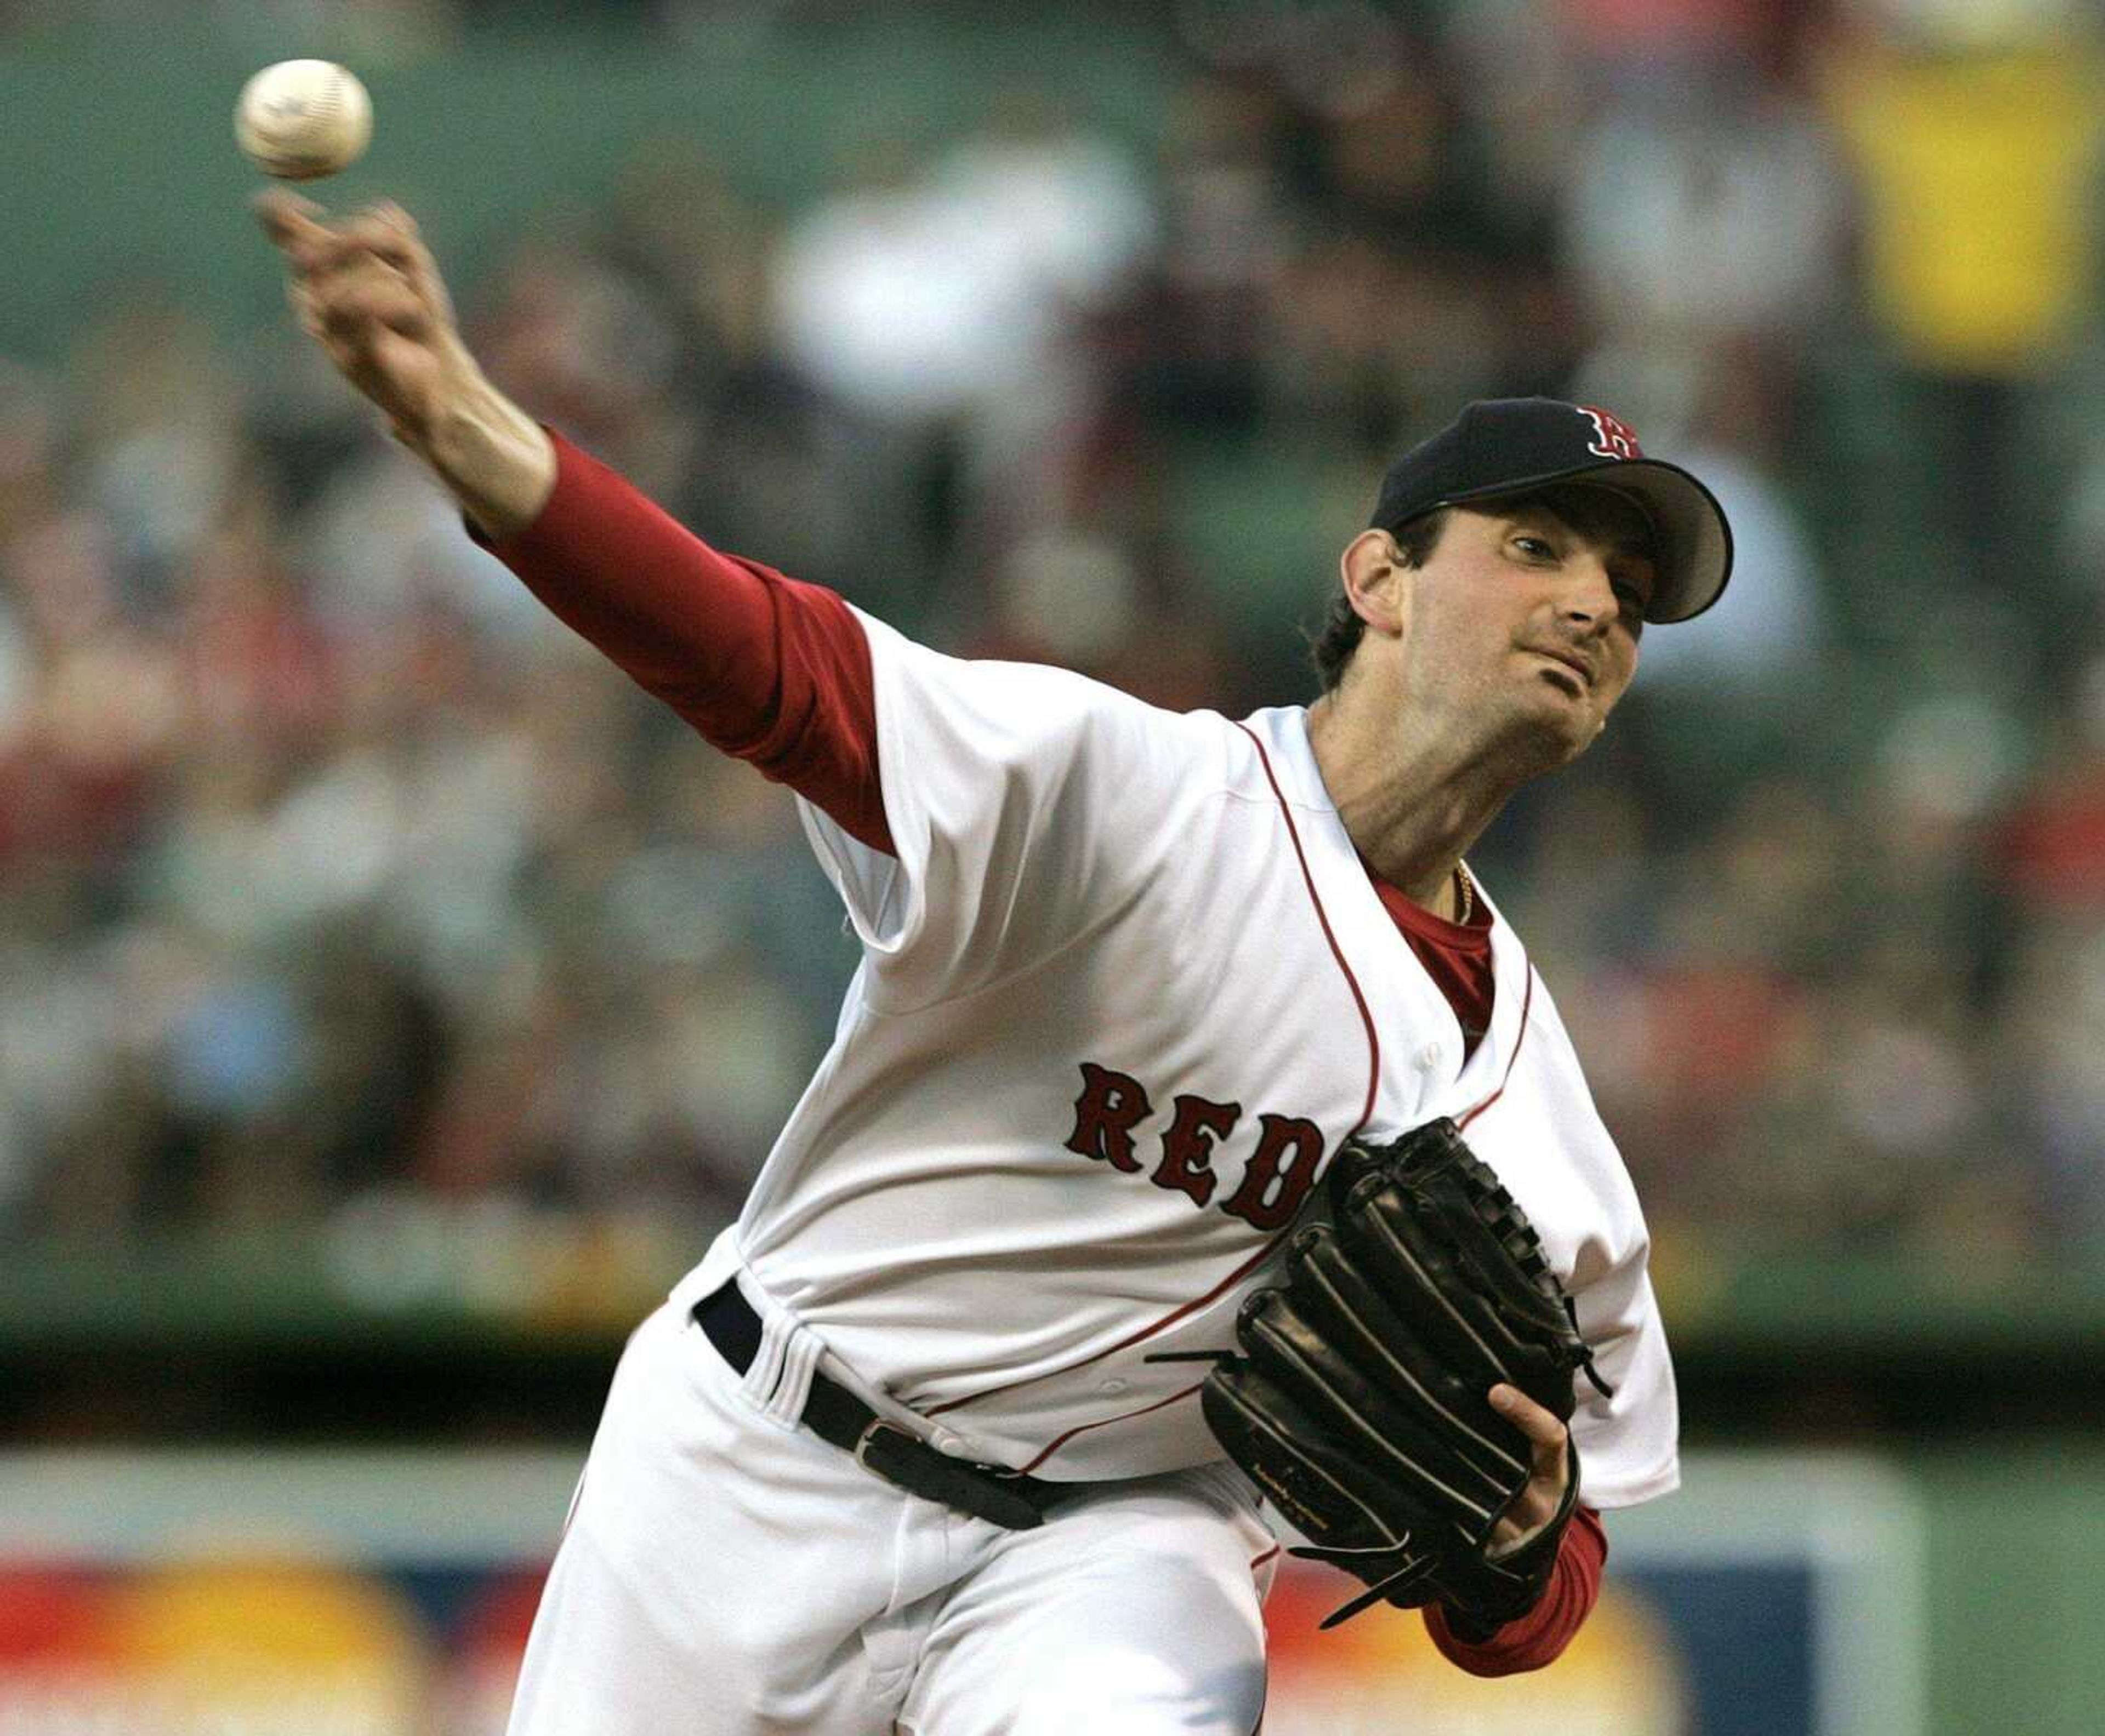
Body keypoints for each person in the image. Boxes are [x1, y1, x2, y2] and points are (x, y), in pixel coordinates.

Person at [257, 191, 1730, 1735]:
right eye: (1540, 546)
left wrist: (1508, 1563)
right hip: (761, 1455)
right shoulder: (1129, 797)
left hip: (1116, 1549)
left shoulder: (1541, 1129)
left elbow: (1559, 1567)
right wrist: (473, 437)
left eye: (1628, 599)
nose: (1590, 605)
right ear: (1379, 580)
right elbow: (770, 665)